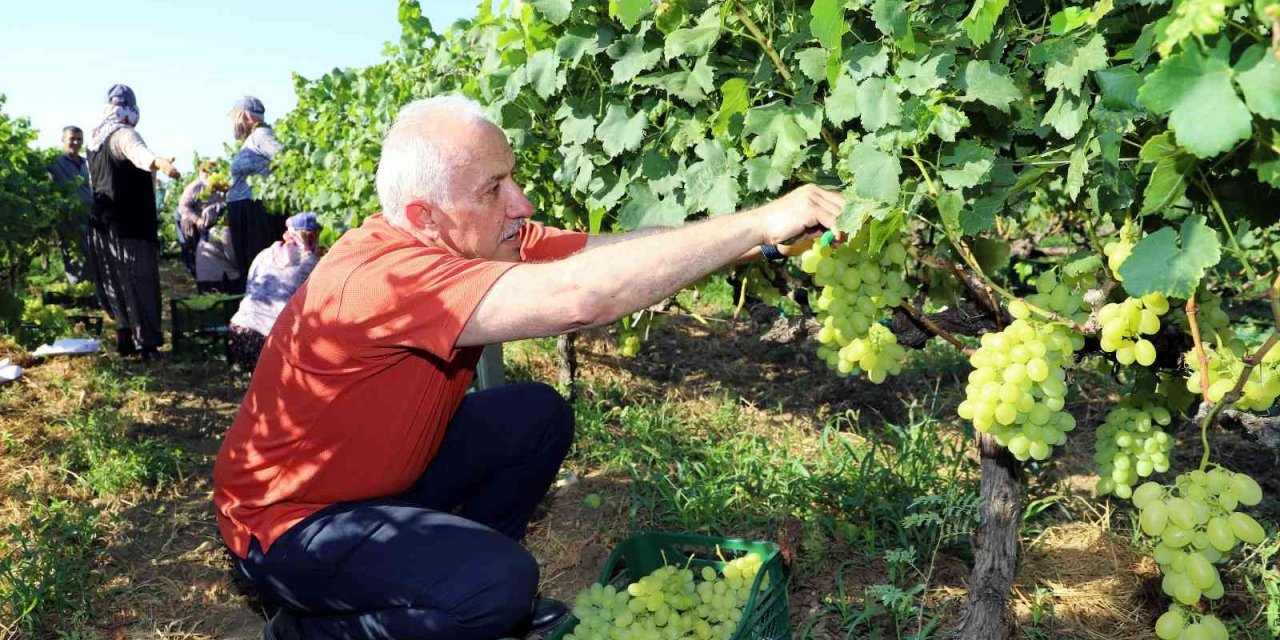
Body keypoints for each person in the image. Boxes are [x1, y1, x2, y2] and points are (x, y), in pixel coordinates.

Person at [212, 95, 843, 640]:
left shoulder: (481, 236)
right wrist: (761, 217)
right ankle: (312, 627)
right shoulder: (383, 276)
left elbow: (607, 254)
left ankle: (445, 583)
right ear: (425, 216)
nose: (523, 202)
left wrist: (756, 241)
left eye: (511, 178)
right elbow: (583, 297)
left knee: (535, 415)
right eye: (494, 189)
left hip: (377, 483)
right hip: (289, 524)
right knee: (500, 585)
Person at [85, 84, 181, 360]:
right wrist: (160, 163)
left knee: (116, 283)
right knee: (140, 281)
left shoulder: (95, 141)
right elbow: (139, 154)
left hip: (103, 223)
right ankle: (147, 346)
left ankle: (125, 340)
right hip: (130, 223)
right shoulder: (123, 134)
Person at [226, 212, 322, 370]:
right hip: (270, 338)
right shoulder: (311, 263)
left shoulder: (265, 254)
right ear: (314, 236)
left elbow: (250, 288)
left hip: (239, 329)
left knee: (260, 379)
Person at [226, 96, 285, 287]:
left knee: (259, 265)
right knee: (251, 267)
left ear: (244, 116)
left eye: (233, 117)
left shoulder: (262, 135)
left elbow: (286, 159)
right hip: (247, 209)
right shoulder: (251, 139)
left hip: (255, 211)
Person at [49, 125, 94, 286]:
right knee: (74, 256)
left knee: (92, 254)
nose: (76, 142)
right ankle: (78, 290)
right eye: (72, 139)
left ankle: (91, 288)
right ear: (63, 140)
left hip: (90, 215)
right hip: (69, 217)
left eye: (79, 139)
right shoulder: (55, 163)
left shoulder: (87, 163)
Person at [176, 161, 229, 277]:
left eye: (211, 171)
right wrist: (196, 220)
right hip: (189, 219)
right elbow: (183, 206)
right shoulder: (196, 187)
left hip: (208, 221)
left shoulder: (219, 187)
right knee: (191, 248)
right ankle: (194, 273)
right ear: (201, 172)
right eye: (205, 172)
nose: (208, 174)